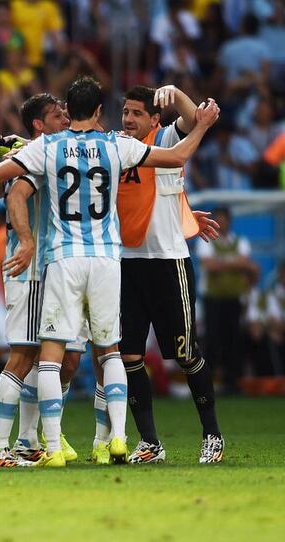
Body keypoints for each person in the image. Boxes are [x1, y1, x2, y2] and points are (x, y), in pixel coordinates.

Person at [0, 76, 220, 467]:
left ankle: (54, 447)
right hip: (110, 259)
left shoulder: (48, 145)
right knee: (111, 353)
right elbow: (177, 157)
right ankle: (119, 440)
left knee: (52, 355)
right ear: (98, 111)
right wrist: (205, 126)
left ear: (69, 112)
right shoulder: (115, 145)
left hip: (65, 257)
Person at [117, 84, 225, 464]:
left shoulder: (164, 137)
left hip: (168, 261)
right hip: (127, 263)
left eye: (136, 114)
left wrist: (176, 92)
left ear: (154, 119)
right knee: (129, 355)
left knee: (184, 353)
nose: (128, 119)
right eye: (125, 112)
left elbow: (195, 117)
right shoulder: (116, 146)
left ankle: (212, 435)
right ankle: (150, 443)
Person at [0, 93, 84, 467]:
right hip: (31, 269)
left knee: (67, 359)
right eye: (58, 115)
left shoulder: (48, 150)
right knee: (24, 355)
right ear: (40, 124)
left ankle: (28, 439)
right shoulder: (34, 154)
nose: (66, 119)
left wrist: (0, 151)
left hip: (59, 270)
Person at [196, 206, 258, 395]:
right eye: (218, 219)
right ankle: (209, 383)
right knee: (213, 340)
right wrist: (236, 263)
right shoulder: (205, 239)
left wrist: (222, 262)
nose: (221, 222)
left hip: (233, 298)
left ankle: (232, 383)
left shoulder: (240, 241)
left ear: (229, 221)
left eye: (224, 219)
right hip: (213, 299)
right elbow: (210, 266)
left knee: (233, 340)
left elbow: (243, 264)